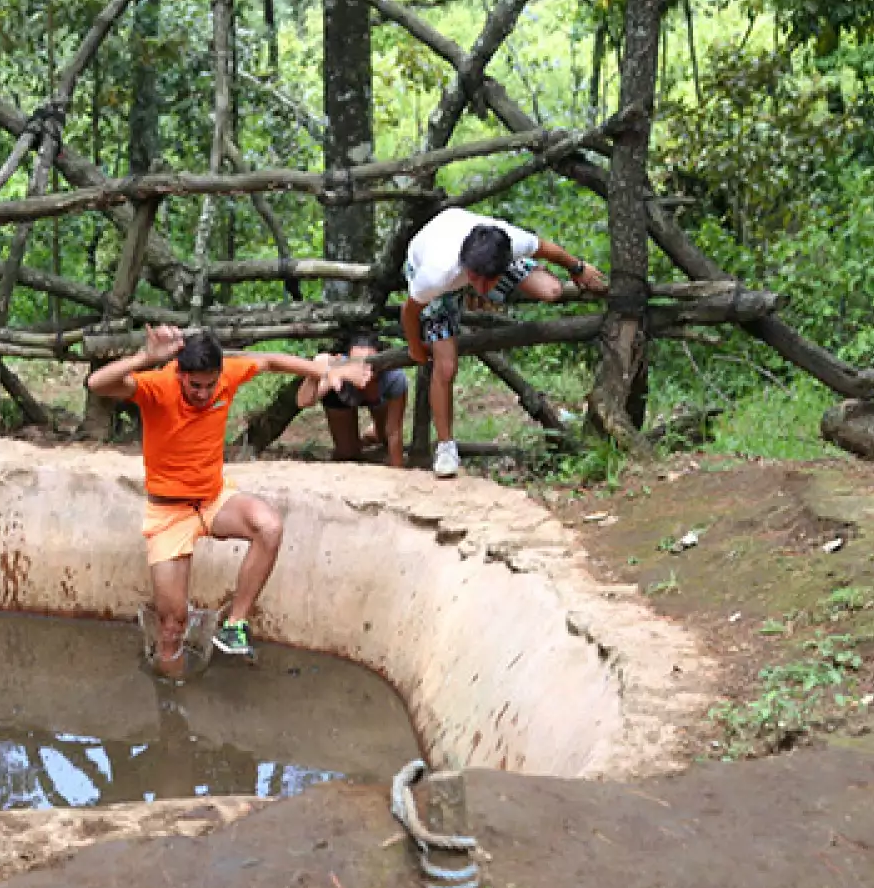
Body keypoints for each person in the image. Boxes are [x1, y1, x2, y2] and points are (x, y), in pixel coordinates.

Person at [87, 326, 370, 663]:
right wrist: (145, 358)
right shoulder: (159, 384)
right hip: (169, 514)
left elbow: (269, 361)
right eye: (195, 386)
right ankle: (171, 690)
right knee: (171, 626)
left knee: (269, 526)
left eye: (210, 385)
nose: (204, 393)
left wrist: (328, 371)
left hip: (213, 499)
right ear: (179, 373)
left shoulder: (227, 375)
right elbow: (97, 384)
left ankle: (234, 624)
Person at [401, 207, 607, 478]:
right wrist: (415, 345)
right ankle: (446, 447)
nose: (482, 286)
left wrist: (578, 268)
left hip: (478, 258)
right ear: (466, 268)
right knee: (446, 366)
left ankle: (492, 284)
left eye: (490, 281)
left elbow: (545, 248)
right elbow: (410, 311)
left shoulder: (512, 241)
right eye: (475, 279)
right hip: (437, 281)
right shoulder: (436, 272)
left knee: (551, 290)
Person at [296, 330, 409, 467]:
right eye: (355, 362)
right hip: (342, 399)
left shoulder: (394, 378)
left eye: (369, 361)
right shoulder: (337, 369)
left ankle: (373, 433)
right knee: (347, 453)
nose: (362, 367)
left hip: (380, 399)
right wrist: (316, 370)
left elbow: (394, 431)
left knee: (385, 437)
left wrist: (397, 470)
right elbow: (304, 402)